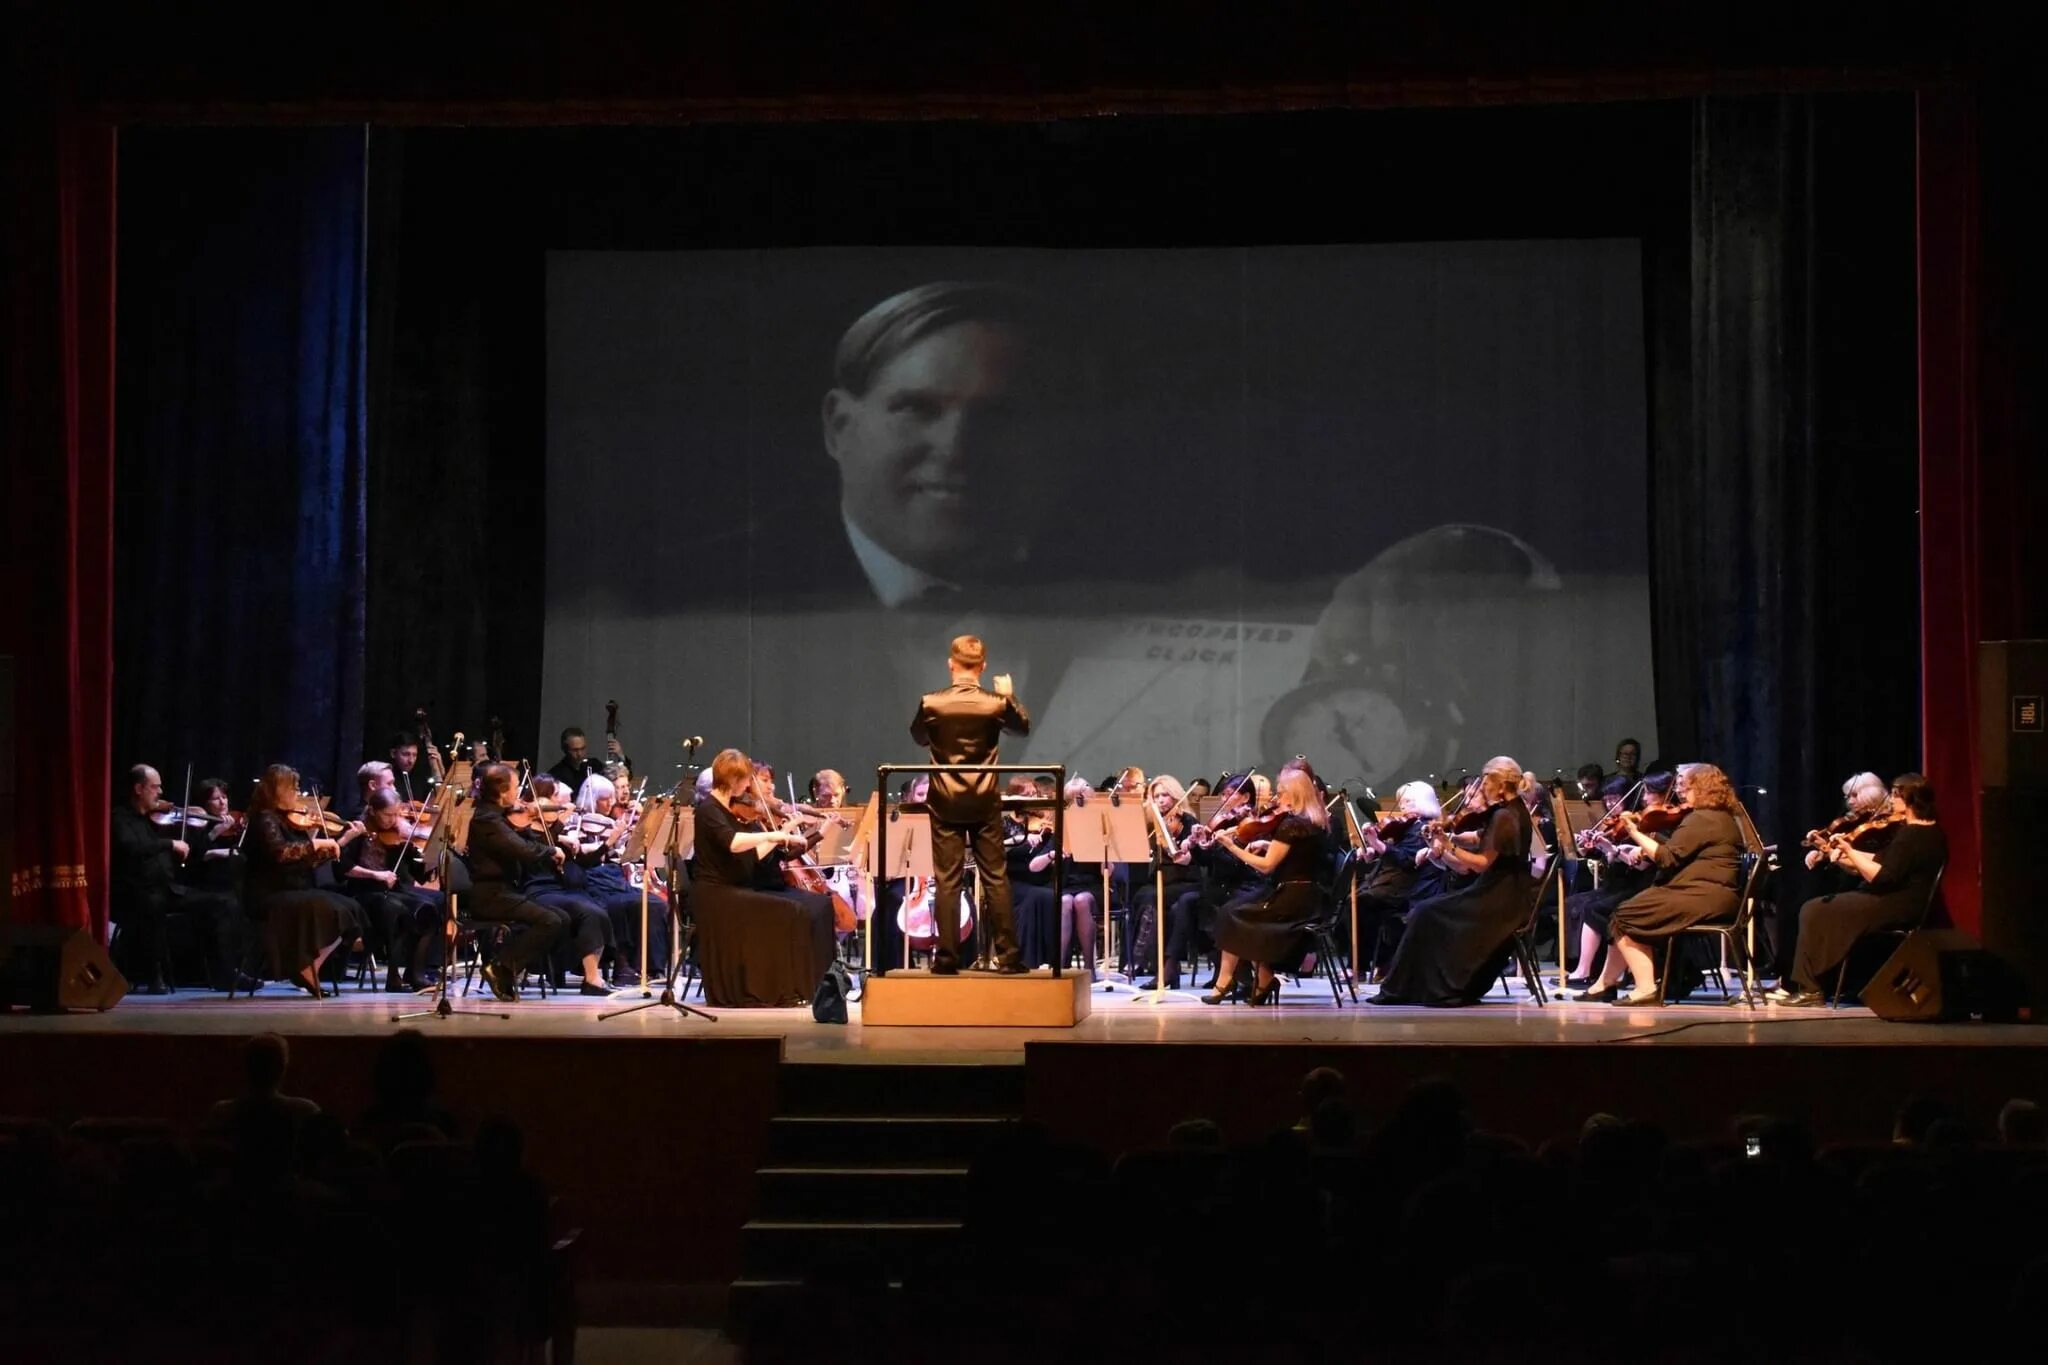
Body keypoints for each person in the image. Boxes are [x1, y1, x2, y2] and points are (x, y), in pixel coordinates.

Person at [823, 283, 1061, 605]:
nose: (954, 448)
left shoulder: (1090, 584)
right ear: (839, 427)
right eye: (917, 409)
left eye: (997, 416)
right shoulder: (747, 586)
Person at [908, 634, 1031, 974]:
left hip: (945, 799)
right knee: (995, 877)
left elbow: (918, 737)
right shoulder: (995, 703)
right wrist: (1009, 696)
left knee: (947, 879)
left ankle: (946, 959)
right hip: (983, 798)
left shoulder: (931, 702)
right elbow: (1021, 729)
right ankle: (1008, 958)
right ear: (983, 667)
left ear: (950, 664)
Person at [1368, 756, 1534, 1007]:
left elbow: (1481, 863)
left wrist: (1447, 846)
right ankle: (1419, 985)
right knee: (1428, 910)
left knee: (1427, 912)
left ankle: (1423, 987)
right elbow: (1479, 837)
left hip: (1500, 899)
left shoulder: (1504, 817)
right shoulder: (1514, 810)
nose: (1482, 784)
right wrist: (1451, 836)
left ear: (1500, 784)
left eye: (1486, 779)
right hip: (1506, 893)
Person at [1771, 773, 1947, 1006]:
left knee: (1813, 910)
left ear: (1910, 800)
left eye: (1896, 795)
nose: (1892, 800)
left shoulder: (1912, 835)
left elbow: (1882, 877)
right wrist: (1840, 853)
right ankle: (1818, 981)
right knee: (1820, 908)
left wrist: (1850, 852)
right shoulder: (1928, 831)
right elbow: (1879, 859)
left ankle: (1811, 987)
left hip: (1899, 905)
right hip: (1901, 899)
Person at [1581, 762, 1745, 1005]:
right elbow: (1678, 850)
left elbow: (1667, 858)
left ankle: (1645, 988)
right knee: (1623, 912)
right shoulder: (1716, 817)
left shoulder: (1702, 819)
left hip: (1702, 895)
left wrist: (1634, 832)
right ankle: (1606, 983)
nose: (1679, 792)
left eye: (1685, 787)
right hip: (1708, 893)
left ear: (1703, 789)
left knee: (1624, 915)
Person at [691, 747, 837, 1006]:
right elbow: (733, 843)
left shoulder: (728, 807)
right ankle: (776, 990)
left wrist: (784, 833)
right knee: (792, 911)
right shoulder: (709, 809)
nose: (749, 784)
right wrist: (774, 835)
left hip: (737, 887)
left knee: (809, 907)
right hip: (717, 893)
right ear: (733, 779)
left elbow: (754, 855)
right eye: (747, 778)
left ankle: (805, 987)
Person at [109, 763, 249, 994]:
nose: (161, 793)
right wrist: (170, 843)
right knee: (151, 906)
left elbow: (191, 851)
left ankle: (223, 973)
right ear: (138, 789)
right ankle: (153, 975)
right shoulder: (121, 817)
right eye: (155, 787)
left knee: (223, 903)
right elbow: (131, 846)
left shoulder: (154, 819)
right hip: (135, 892)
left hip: (167, 889)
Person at [1201, 766, 1332, 1006]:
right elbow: (1297, 856)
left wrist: (1232, 846)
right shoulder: (1314, 821)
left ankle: (1235, 980)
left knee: (1232, 914)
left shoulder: (1290, 825)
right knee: (1233, 909)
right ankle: (1260, 979)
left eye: (1281, 792)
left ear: (1294, 794)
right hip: (1308, 896)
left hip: (1291, 900)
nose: (1276, 798)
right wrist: (1265, 842)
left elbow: (1266, 866)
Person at [241, 764, 369, 999]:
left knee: (351, 908)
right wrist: (316, 844)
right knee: (331, 908)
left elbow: (306, 861)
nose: (297, 794)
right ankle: (304, 967)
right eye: (293, 788)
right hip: (268, 893)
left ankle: (311, 966)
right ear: (276, 790)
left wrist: (335, 845)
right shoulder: (265, 818)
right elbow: (281, 853)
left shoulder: (288, 820)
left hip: (293, 889)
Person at [463, 763, 571, 1003]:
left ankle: (505, 967)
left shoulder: (500, 817)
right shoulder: (486, 820)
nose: (518, 794)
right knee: (550, 920)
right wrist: (550, 850)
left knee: (561, 919)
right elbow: (520, 850)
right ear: (502, 792)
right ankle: (501, 966)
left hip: (505, 892)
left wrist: (546, 837)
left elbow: (525, 841)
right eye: (515, 787)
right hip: (490, 895)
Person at [337, 788, 447, 992]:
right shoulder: (357, 829)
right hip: (364, 893)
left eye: (396, 814)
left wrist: (429, 857)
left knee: (429, 909)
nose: (393, 820)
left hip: (391, 891)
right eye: (388, 815)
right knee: (395, 909)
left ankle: (416, 973)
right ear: (372, 811)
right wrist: (376, 875)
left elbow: (417, 873)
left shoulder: (396, 835)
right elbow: (342, 867)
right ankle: (392, 977)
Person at [1353, 779, 1446, 977]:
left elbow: (1406, 860)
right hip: (1395, 884)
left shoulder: (1424, 828)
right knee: (1356, 901)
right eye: (1401, 803)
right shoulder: (1407, 827)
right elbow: (1394, 850)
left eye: (1408, 802)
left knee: (1360, 903)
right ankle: (1378, 961)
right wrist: (1372, 849)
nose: (1402, 808)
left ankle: (1367, 963)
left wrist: (1379, 845)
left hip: (1408, 888)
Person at [1129, 775, 1203, 989]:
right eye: (1156, 796)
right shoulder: (1151, 823)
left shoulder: (1188, 822)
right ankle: (1161, 964)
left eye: (1165, 795)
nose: (1161, 800)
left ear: (1176, 796)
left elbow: (1192, 860)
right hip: (1162, 880)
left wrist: (1183, 854)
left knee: (1152, 897)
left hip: (1186, 880)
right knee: (1146, 897)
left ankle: (1157, 964)